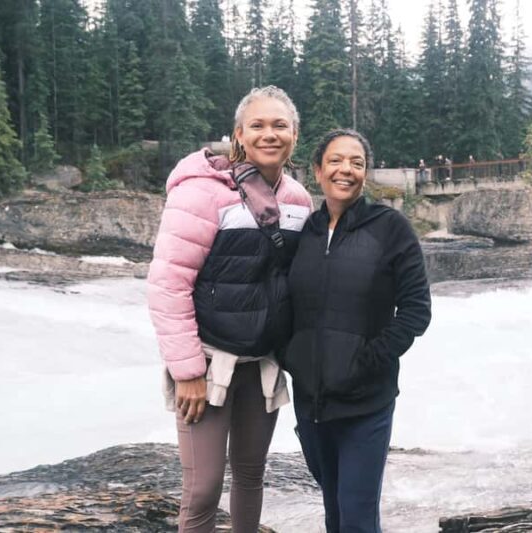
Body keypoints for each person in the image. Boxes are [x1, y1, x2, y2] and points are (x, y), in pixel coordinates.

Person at [147, 85, 314, 532]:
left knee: (251, 476)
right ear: (238, 134)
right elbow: (168, 283)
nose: (269, 134)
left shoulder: (298, 201)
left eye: (280, 125)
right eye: (257, 125)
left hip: (262, 363)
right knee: (203, 489)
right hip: (207, 363)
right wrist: (186, 372)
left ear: (294, 134)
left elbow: (297, 282)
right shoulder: (202, 192)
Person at [282, 129, 431, 532]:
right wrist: (290, 356)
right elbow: (283, 303)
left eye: (356, 162)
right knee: (334, 512)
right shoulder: (304, 233)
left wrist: (366, 361)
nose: (345, 169)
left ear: (366, 172)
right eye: (335, 161)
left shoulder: (390, 228)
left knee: (357, 517)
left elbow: (416, 310)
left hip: (366, 401)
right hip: (310, 402)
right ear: (317, 170)